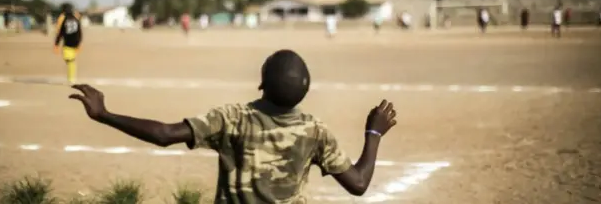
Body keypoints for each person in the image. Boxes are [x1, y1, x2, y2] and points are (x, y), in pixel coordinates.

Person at [69, 49, 398, 203]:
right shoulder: (315, 132)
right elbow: (358, 184)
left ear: (261, 84)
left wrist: (105, 114)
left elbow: (164, 135)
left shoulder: (231, 119)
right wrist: (374, 134)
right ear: (305, 92)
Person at [54, 4, 83, 85]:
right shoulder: (76, 20)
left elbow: (60, 33)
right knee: (71, 60)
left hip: (67, 44)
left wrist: (56, 44)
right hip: (75, 43)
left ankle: (71, 78)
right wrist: (79, 43)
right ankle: (71, 77)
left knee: (70, 60)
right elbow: (79, 33)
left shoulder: (65, 20)